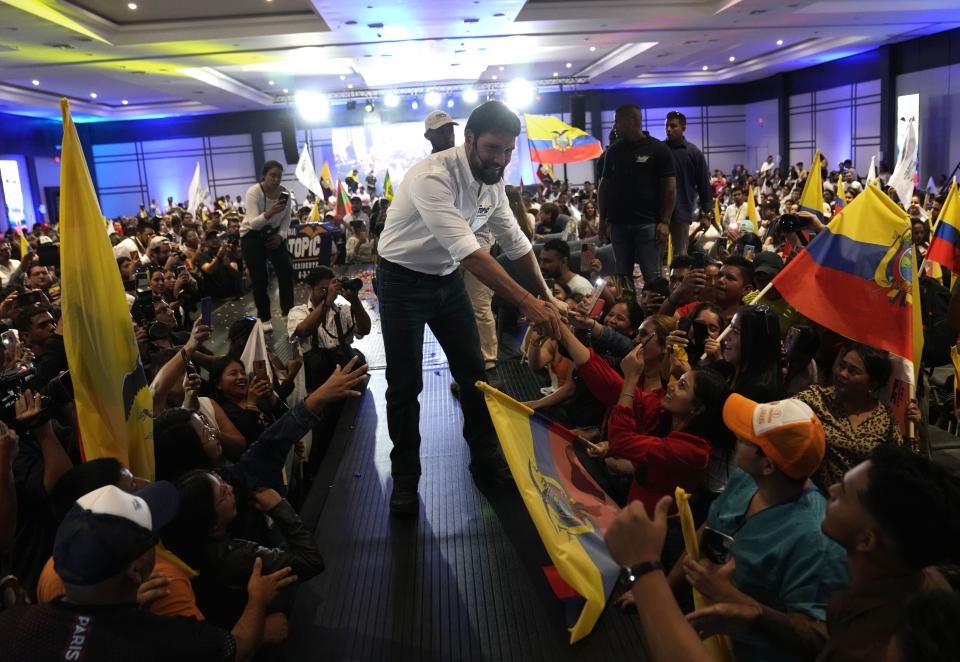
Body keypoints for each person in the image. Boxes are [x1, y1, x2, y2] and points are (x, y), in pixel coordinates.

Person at [376, 100, 563, 516]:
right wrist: (529, 303)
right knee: (405, 385)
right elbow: (471, 253)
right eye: (493, 149)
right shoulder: (432, 177)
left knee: (475, 374)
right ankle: (405, 478)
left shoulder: (493, 184)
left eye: (508, 152)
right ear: (470, 139)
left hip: (446, 280)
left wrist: (549, 299)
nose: (500, 160)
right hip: (402, 280)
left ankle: (485, 461)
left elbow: (517, 246)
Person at [0, 482, 292, 661]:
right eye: (152, 538)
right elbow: (238, 648)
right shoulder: (163, 639)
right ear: (137, 569)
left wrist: (119, 608)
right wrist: (257, 599)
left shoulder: (12, 626)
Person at [670, 394, 849, 662]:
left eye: (745, 438)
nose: (736, 438)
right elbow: (709, 530)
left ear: (768, 465)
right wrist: (666, 588)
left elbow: (816, 639)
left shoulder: (816, 541)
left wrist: (725, 594)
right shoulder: (746, 478)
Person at [794, 343, 918, 492]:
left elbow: (901, 466)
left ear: (873, 383)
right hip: (820, 499)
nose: (842, 373)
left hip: (865, 503)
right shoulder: (816, 399)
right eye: (842, 365)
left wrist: (913, 428)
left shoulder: (885, 419)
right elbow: (779, 414)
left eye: (853, 371)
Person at [599, 103, 677, 285]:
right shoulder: (613, 151)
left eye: (617, 121)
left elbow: (670, 189)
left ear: (632, 121)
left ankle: (656, 313)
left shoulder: (659, 150)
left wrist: (665, 221)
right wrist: (603, 219)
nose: (615, 126)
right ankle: (626, 312)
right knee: (622, 277)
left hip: (648, 225)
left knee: (653, 275)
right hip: (618, 225)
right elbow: (604, 187)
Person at [288, 266, 370, 389]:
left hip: (346, 382)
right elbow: (303, 330)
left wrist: (355, 301)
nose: (328, 293)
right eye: (323, 290)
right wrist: (327, 301)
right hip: (316, 387)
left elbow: (364, 329)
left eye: (330, 289)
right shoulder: (299, 312)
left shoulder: (342, 310)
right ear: (310, 289)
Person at [241, 160, 295, 325]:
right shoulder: (254, 192)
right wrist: (270, 212)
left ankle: (288, 313)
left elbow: (287, 219)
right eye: (272, 175)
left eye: (279, 176)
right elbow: (254, 223)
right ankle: (264, 318)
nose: (276, 179)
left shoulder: (285, 193)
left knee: (286, 271)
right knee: (260, 279)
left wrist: (281, 236)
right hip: (252, 236)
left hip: (274, 235)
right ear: (264, 175)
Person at [664, 111, 712, 257]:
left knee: (680, 256)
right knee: (658, 255)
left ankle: (681, 280)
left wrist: (706, 213)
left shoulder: (694, 153)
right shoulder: (659, 150)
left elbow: (704, 184)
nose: (669, 129)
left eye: (673, 126)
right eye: (667, 126)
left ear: (683, 127)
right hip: (659, 214)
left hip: (682, 211)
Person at [194, 230, 242, 300]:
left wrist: (228, 265)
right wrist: (219, 256)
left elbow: (235, 273)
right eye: (211, 238)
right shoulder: (203, 256)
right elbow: (209, 270)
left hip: (232, 295)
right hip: (215, 298)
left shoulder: (228, 252)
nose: (214, 240)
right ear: (206, 242)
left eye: (216, 237)